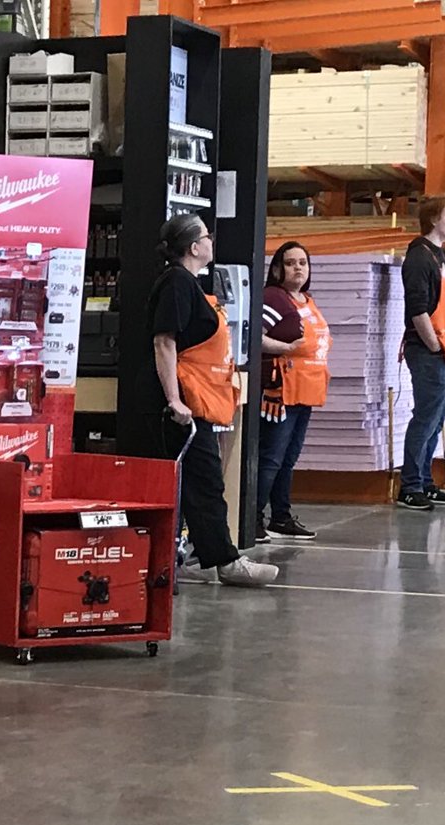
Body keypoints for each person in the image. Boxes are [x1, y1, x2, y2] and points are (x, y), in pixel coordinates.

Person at [136, 213, 279, 586]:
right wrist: (174, 400)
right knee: (204, 482)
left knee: (193, 484)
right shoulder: (177, 284)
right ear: (194, 246)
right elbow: (164, 342)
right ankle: (226, 562)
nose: (212, 241)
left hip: (192, 401)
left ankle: (185, 557)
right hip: (178, 407)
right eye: (207, 236)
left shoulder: (190, 284)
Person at [255, 241, 332, 544]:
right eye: (290, 263)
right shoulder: (274, 298)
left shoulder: (306, 300)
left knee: (288, 458)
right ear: (277, 269)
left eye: (303, 262)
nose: (298, 268)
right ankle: (254, 517)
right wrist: (285, 348)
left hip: (307, 391)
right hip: (282, 393)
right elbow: (253, 337)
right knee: (272, 457)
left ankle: (281, 516)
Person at [397, 196, 445, 511]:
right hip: (429, 351)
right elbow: (417, 308)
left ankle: (425, 480)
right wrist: (433, 345)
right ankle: (410, 485)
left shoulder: (442, 257)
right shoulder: (420, 258)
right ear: (435, 219)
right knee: (425, 418)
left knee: (437, 418)